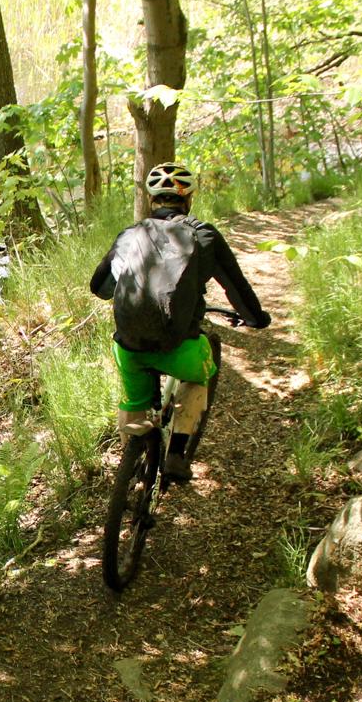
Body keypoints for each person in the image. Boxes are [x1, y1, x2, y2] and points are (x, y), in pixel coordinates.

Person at [89, 162, 270, 481]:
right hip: (180, 346)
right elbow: (235, 286)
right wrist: (255, 319)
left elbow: (100, 288)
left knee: (136, 401)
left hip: (128, 347)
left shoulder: (131, 235)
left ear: (151, 199)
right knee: (200, 376)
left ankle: (131, 465)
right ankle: (176, 454)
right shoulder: (203, 235)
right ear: (188, 200)